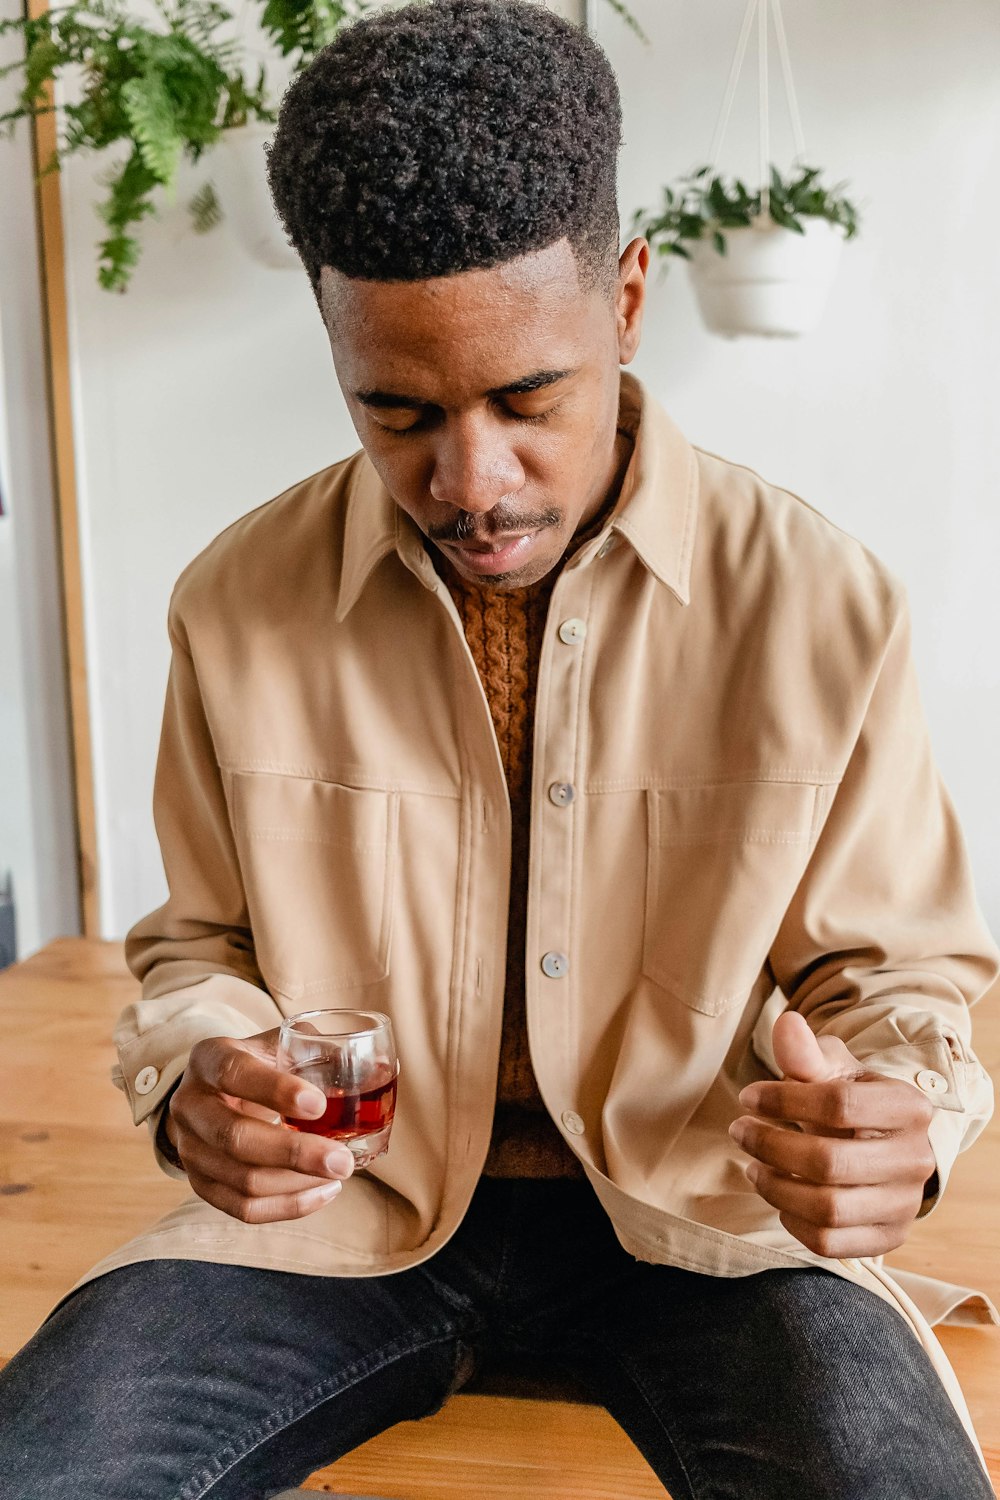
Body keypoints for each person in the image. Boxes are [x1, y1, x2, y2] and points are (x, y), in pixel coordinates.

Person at [3, 2, 998, 1496]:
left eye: (530, 401)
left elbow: (897, 977)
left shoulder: (819, 600)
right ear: (333, 341)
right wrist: (199, 1077)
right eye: (394, 412)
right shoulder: (234, 600)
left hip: (705, 1231)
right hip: (340, 1221)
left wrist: (897, 1131)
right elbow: (197, 946)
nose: (472, 483)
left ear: (630, 302)